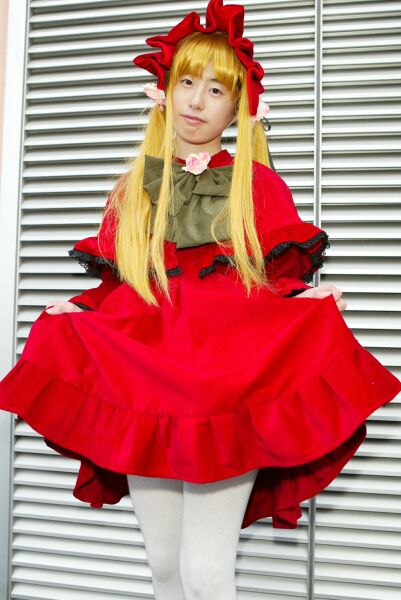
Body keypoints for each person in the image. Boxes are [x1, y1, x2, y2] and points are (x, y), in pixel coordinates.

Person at [0, 1, 400, 598]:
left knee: (205, 570)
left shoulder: (258, 185)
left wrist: (305, 301)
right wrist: (81, 312)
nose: (196, 101)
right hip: (145, 383)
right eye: (187, 82)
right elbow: (121, 281)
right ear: (164, 92)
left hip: (224, 386)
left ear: (238, 106)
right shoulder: (136, 187)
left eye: (216, 89)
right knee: (164, 564)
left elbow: (274, 278)